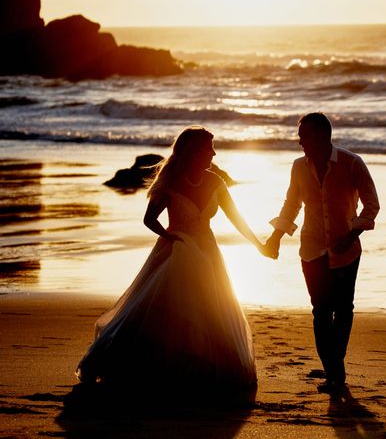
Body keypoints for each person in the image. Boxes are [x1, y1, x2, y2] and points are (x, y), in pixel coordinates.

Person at [76, 126, 272, 391]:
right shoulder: (171, 181)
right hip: (175, 250)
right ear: (192, 151)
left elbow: (236, 218)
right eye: (208, 148)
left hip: (207, 253)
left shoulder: (216, 181)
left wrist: (258, 245)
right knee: (164, 309)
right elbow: (149, 219)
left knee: (210, 308)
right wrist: (171, 238)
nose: (213, 153)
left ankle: (203, 367)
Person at [265, 112, 380, 392]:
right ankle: (333, 372)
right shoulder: (298, 167)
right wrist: (275, 237)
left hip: (347, 251)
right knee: (320, 311)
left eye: (303, 135)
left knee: (343, 310)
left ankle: (334, 367)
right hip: (312, 249)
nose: (299, 141)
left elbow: (371, 205)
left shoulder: (352, 163)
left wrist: (351, 234)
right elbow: (291, 204)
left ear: (321, 136)